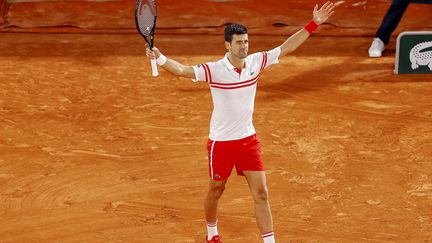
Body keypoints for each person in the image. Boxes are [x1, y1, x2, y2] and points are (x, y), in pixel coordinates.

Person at [146, 2, 336, 242]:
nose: (244, 46)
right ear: (228, 45)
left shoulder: (256, 62)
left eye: (246, 41)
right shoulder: (214, 70)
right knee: (217, 190)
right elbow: (183, 71)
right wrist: (161, 58)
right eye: (239, 42)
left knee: (262, 193)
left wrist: (314, 23)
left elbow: (286, 47)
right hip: (222, 143)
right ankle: (212, 233)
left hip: (248, 140)